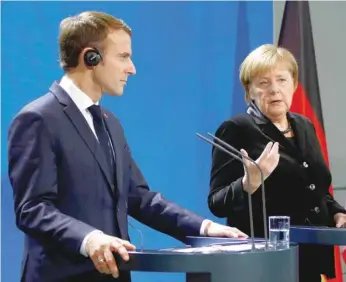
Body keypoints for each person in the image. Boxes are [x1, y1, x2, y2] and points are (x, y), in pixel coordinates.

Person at [7, 11, 248, 282]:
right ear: (91, 57)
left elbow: (139, 198)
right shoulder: (38, 119)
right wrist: (90, 239)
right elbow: (33, 208)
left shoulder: (110, 123)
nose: (131, 68)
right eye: (123, 57)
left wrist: (204, 228)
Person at [208, 44, 346, 282]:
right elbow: (217, 203)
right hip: (266, 264)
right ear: (249, 92)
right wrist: (248, 184)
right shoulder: (236, 130)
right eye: (263, 83)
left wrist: (338, 213)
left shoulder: (305, 126)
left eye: (282, 80)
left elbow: (315, 189)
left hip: (310, 258)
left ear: (294, 85)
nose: (275, 89)